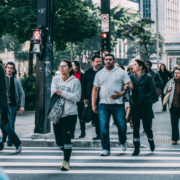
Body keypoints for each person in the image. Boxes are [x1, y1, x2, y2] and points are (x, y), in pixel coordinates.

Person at [92, 53, 133, 156]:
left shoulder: (121, 72)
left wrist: (121, 93)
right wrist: (93, 104)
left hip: (118, 105)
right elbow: (95, 89)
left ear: (114, 61)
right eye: (106, 59)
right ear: (104, 61)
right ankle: (106, 149)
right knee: (103, 127)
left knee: (122, 126)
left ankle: (123, 140)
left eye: (110, 59)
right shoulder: (99, 73)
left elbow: (130, 85)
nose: (108, 61)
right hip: (103, 105)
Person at [51, 60, 81, 171]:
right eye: (60, 66)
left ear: (69, 69)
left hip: (70, 113)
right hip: (57, 113)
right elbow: (53, 93)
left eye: (64, 66)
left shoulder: (75, 82)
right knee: (59, 142)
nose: (61, 68)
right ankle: (67, 153)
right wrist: (65, 94)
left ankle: (66, 161)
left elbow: (77, 97)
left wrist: (62, 93)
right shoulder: (55, 79)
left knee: (66, 138)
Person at [130, 59, 156, 156]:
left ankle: (151, 141)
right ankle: (136, 148)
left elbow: (152, 91)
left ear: (140, 67)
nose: (133, 66)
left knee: (147, 128)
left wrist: (145, 97)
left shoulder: (148, 78)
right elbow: (128, 90)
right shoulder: (131, 78)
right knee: (135, 128)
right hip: (135, 106)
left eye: (135, 64)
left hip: (146, 106)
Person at [0, 62, 22, 153]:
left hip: (2, 104)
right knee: (4, 125)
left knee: (6, 126)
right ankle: (2, 140)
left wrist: (4, 106)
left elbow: (2, 90)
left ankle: (17, 143)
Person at [82, 55, 102, 140]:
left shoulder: (103, 71)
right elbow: (84, 85)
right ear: (92, 62)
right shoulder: (88, 73)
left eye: (100, 61)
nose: (99, 63)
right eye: (97, 61)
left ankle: (102, 134)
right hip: (91, 98)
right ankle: (98, 134)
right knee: (95, 117)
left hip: (102, 98)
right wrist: (85, 97)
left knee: (101, 117)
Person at [4, 62, 25, 146]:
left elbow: (22, 94)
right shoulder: (2, 79)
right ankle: (5, 137)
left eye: (11, 68)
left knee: (11, 123)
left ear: (13, 70)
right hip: (3, 106)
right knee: (4, 124)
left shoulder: (16, 81)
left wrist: (22, 106)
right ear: (5, 68)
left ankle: (10, 141)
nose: (9, 69)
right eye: (8, 67)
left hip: (13, 105)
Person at [164, 68, 180, 145]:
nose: (176, 74)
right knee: (174, 124)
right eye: (175, 73)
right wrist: (168, 90)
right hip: (173, 106)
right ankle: (174, 139)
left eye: (178, 73)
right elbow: (164, 91)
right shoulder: (170, 82)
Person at [72, 60, 85, 138]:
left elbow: (84, 87)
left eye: (73, 65)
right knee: (72, 116)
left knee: (81, 116)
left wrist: (84, 98)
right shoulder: (69, 75)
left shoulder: (82, 75)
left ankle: (83, 132)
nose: (71, 66)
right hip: (71, 98)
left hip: (80, 98)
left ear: (76, 66)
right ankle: (71, 133)